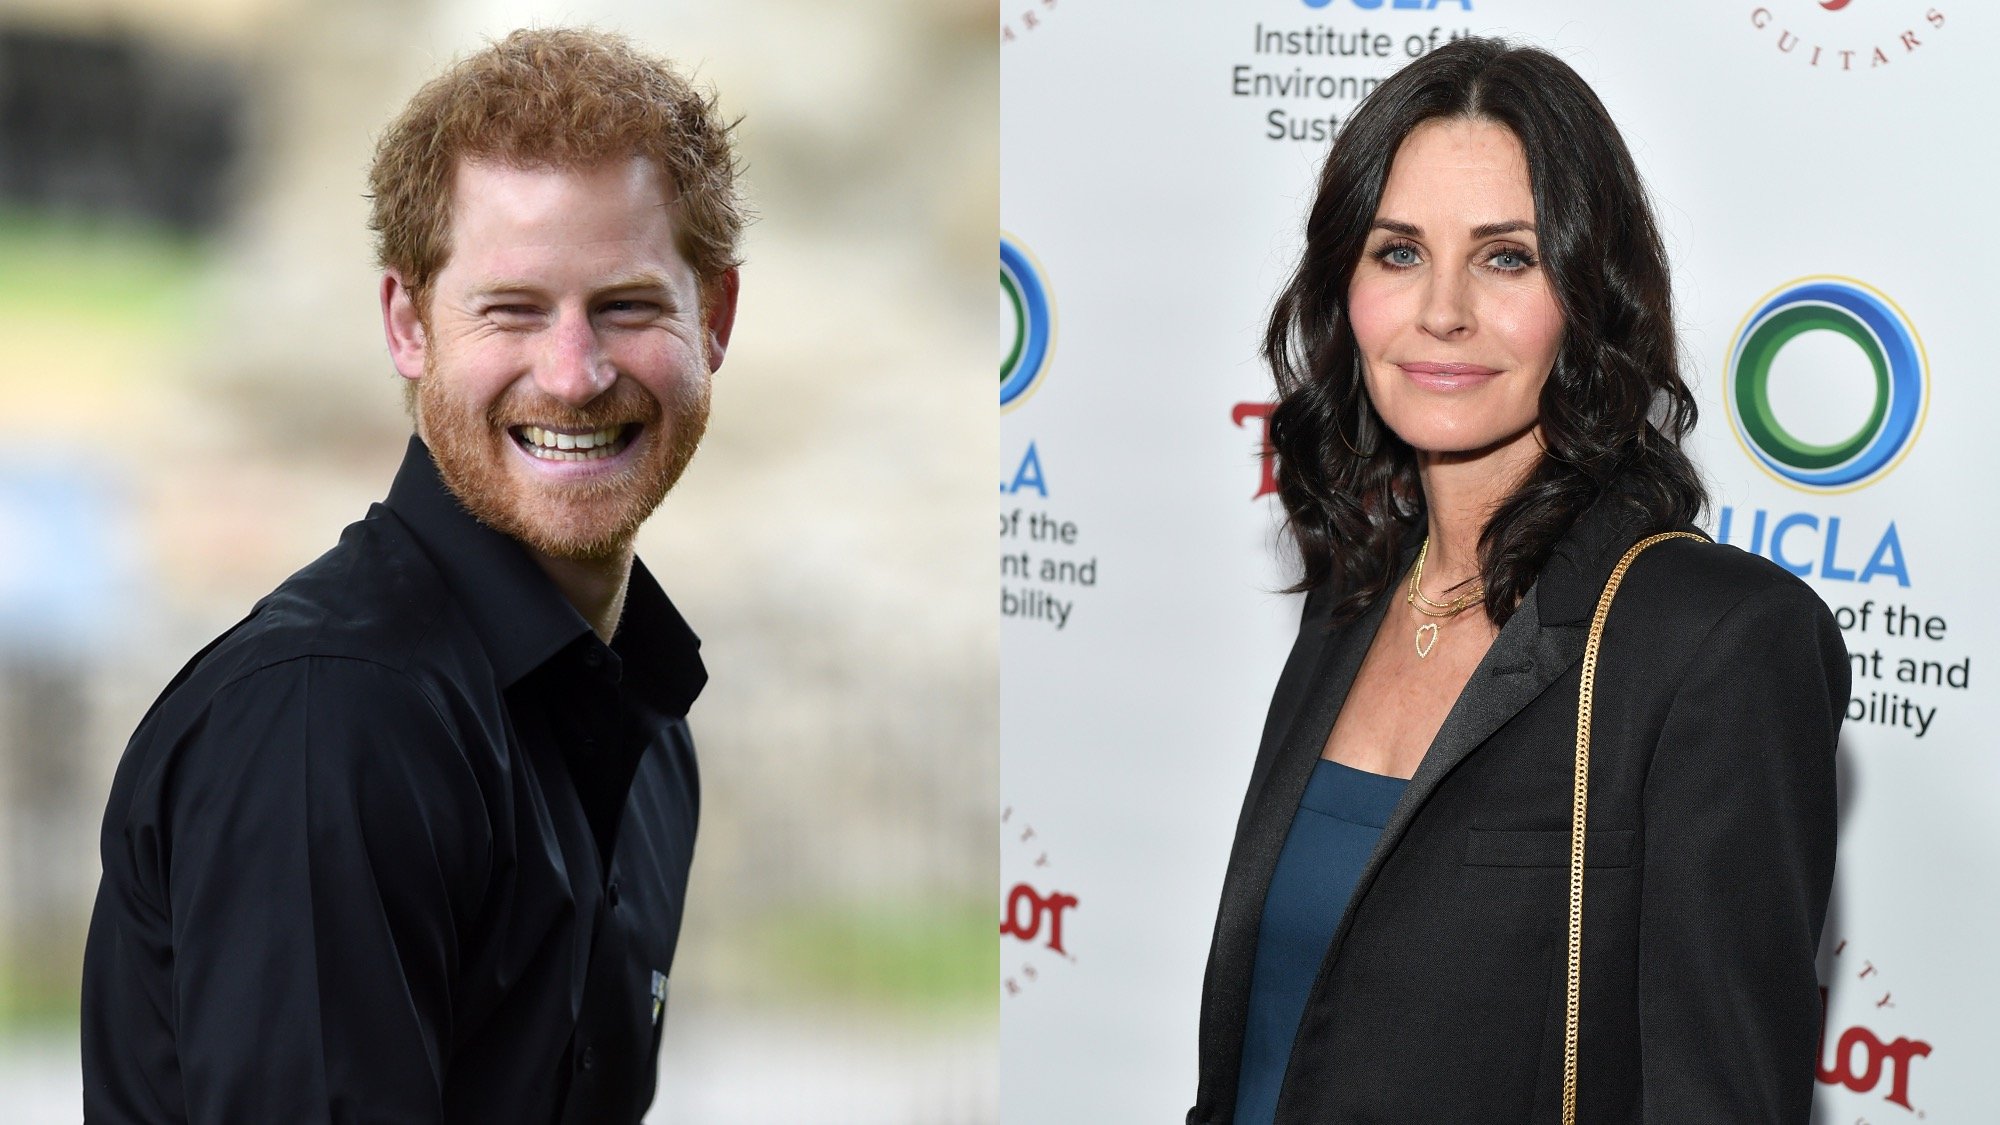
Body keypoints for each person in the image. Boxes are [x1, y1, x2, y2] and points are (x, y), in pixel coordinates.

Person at [81, 28, 741, 1124]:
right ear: (406, 324)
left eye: (626, 305)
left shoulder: (644, 721)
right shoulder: (331, 719)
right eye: (512, 309)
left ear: (712, 319)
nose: (573, 374)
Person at [1189, 39, 1848, 1124]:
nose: (1440, 311)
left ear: (1589, 295)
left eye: (1505, 258)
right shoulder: (1353, 596)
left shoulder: (1713, 644)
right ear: (1342, 285)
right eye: (1396, 253)